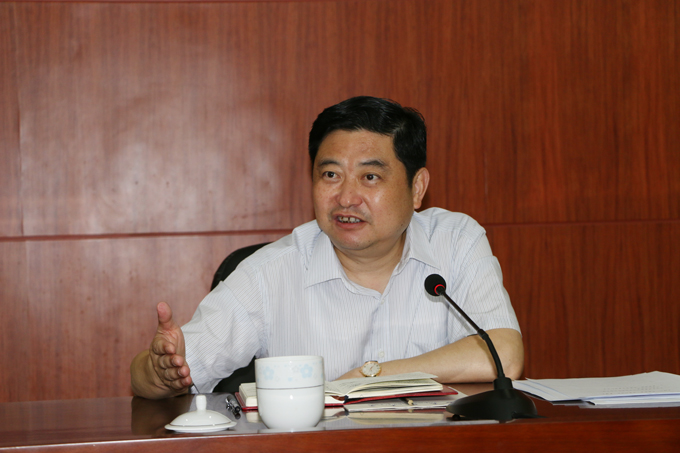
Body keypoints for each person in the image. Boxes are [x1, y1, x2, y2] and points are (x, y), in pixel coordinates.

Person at [130, 96, 524, 399]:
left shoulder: (455, 241)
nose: (346, 198)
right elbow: (152, 374)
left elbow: (504, 354)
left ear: (417, 188)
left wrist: (369, 377)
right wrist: (159, 371)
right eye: (331, 174)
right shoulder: (270, 273)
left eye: (370, 177)